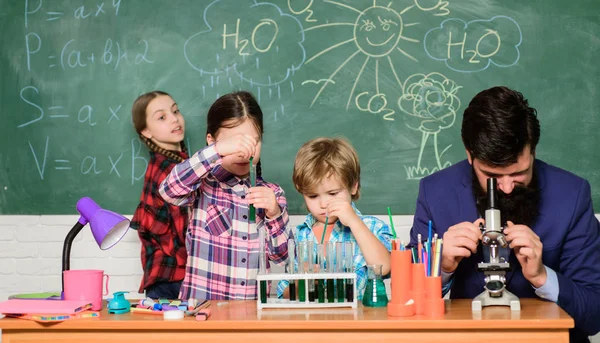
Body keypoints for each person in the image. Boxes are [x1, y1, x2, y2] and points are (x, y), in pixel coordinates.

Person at [409, 86, 600, 342]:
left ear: (533, 152)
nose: (507, 188)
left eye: (519, 172)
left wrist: (542, 277)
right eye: (492, 176)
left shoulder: (572, 195)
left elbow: (594, 315)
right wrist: (440, 267)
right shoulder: (435, 192)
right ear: (470, 155)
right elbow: (407, 304)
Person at [159, 91, 291, 300]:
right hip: (202, 314)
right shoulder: (202, 184)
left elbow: (282, 257)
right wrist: (217, 151)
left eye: (253, 142)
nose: (244, 152)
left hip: (250, 316)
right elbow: (169, 190)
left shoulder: (272, 194)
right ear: (212, 141)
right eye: (236, 143)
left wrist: (274, 213)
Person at [277, 137, 392, 300]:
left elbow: (385, 267)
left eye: (332, 194)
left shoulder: (372, 227)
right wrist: (303, 282)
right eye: (312, 196)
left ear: (353, 186)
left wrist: (354, 222)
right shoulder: (300, 235)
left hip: (358, 322)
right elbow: (286, 295)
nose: (323, 204)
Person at [130, 90, 189, 299]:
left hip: (168, 279)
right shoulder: (169, 171)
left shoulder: (176, 163)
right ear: (146, 131)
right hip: (173, 280)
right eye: (162, 117)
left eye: (175, 111)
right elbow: (186, 232)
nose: (175, 119)